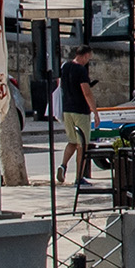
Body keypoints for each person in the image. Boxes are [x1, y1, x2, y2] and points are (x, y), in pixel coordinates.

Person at [56, 45, 98, 188]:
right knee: (82, 145)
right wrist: (95, 111)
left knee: (72, 141)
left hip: (67, 109)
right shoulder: (81, 70)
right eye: (88, 57)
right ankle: (79, 177)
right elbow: (86, 92)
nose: (88, 61)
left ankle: (63, 165)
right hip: (80, 110)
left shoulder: (65, 67)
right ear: (85, 55)